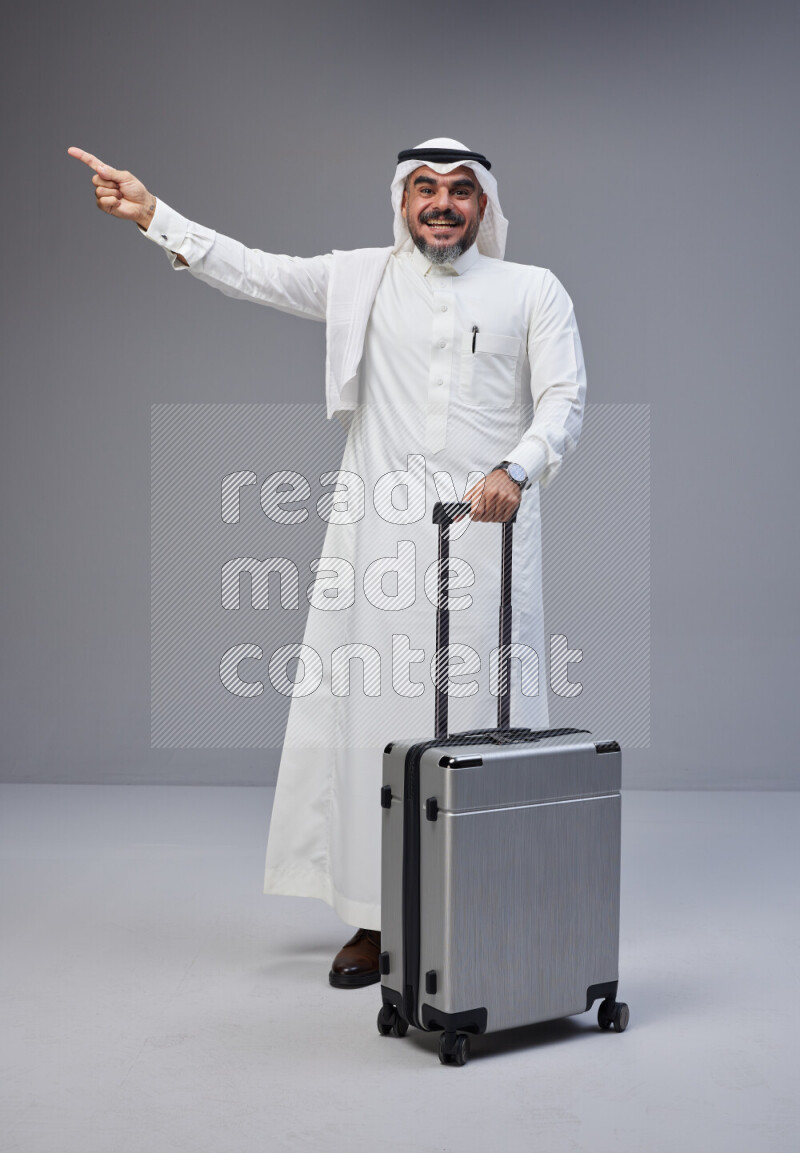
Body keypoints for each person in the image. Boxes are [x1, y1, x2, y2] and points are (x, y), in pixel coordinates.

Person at [69, 138, 586, 988]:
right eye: (426, 189)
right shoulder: (360, 280)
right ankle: (377, 919)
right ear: (402, 201)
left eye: (461, 190)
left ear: (486, 205)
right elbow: (253, 272)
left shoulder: (533, 289)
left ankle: (482, 904)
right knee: (374, 724)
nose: (444, 204)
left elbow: (565, 396)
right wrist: (151, 214)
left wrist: (516, 466)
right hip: (378, 541)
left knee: (491, 725)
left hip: (488, 541)